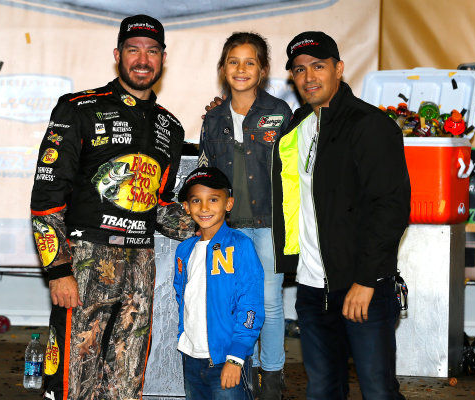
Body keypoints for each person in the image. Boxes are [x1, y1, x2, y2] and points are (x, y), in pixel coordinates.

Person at [30, 14, 193, 400]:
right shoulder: (78, 109)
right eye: (134, 50)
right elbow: (47, 196)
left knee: (126, 383)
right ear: (118, 55)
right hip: (85, 260)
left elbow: (159, 205)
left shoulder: (171, 127)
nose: (143, 60)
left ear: (163, 59)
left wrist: (207, 223)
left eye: (152, 52)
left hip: (141, 266)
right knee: (72, 383)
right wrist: (57, 271)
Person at [271, 31, 411, 399]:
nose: (309, 77)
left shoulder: (370, 125)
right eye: (300, 70)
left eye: (318, 66)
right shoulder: (296, 126)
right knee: (322, 391)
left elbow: (391, 208)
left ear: (339, 69)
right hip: (313, 289)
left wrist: (366, 281)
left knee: (378, 390)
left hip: (362, 286)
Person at [198, 32, 292, 400]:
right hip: (228, 229)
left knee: (269, 301)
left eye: (250, 62)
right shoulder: (213, 118)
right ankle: (241, 369)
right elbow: (207, 172)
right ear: (223, 69)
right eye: (233, 62)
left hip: (269, 224)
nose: (241, 69)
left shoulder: (279, 114)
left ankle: (272, 376)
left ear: (263, 70)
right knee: (232, 302)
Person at [173, 166, 265, 400]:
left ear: (228, 203)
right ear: (186, 207)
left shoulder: (240, 246)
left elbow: (251, 305)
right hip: (191, 359)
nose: (204, 208)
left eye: (213, 199)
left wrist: (236, 357)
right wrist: (183, 335)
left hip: (227, 359)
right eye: (196, 200)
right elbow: (181, 295)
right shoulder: (184, 250)